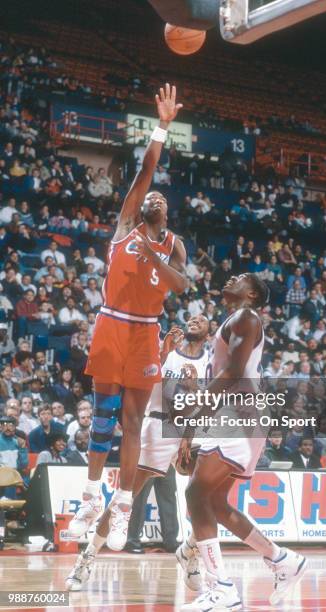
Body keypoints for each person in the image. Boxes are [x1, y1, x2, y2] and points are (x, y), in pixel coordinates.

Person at [68, 83, 187, 551]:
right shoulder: (125, 224)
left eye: (160, 197)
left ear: (168, 210)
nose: (153, 196)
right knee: (103, 417)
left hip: (145, 332)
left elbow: (182, 284)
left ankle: (121, 507)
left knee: (134, 423)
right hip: (112, 322)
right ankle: (90, 498)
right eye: (148, 196)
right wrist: (161, 126)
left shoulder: (173, 243)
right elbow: (145, 170)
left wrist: (158, 261)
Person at [179, 274, 306, 610]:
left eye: (239, 278)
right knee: (216, 503)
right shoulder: (234, 320)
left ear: (251, 293)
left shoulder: (246, 317)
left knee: (195, 492)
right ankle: (281, 559)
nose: (230, 277)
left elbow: (234, 372)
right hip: (238, 414)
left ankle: (222, 588)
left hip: (239, 412)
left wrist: (196, 414)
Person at [66, 315, 210, 590]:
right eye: (192, 318)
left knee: (210, 493)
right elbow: (162, 395)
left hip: (189, 433)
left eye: (202, 320)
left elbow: (203, 406)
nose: (195, 320)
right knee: (124, 500)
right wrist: (182, 383)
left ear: (208, 333)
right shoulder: (166, 351)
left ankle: (190, 553)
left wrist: (189, 434)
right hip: (157, 426)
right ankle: (86, 559)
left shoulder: (208, 362)